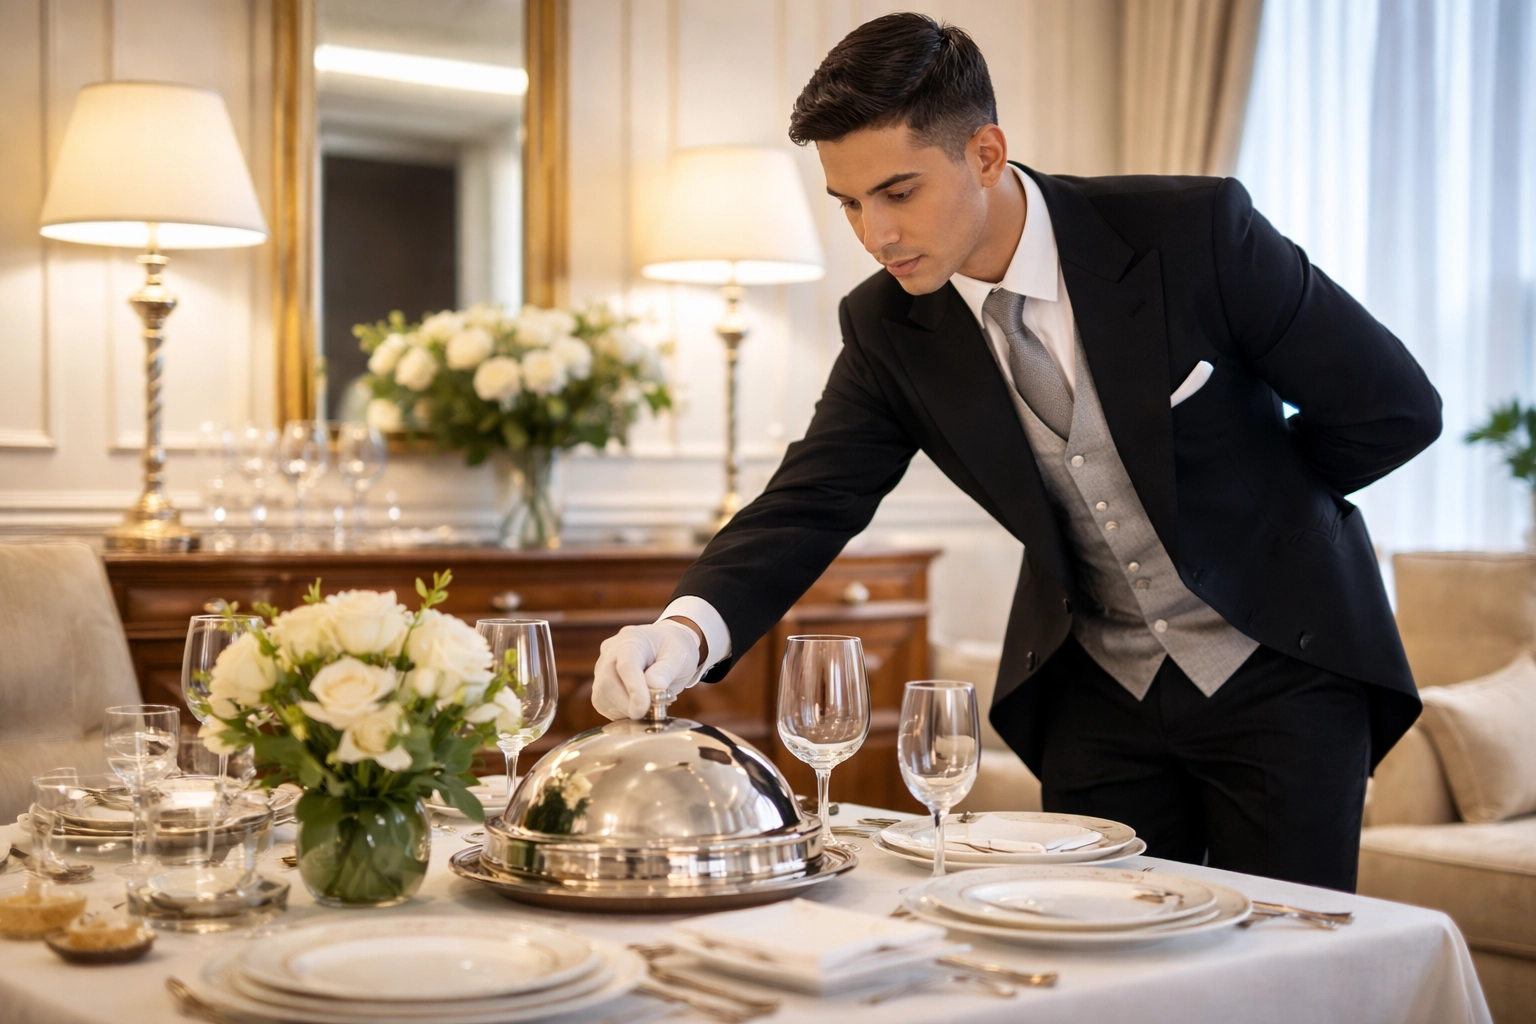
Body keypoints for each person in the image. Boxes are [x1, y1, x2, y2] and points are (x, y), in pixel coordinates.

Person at [590, 12, 1441, 891]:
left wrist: (1257, 519)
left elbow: (1394, 409)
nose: (875, 235)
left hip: (1284, 670)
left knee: (1293, 952)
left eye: (898, 192)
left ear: (986, 154)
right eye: (848, 203)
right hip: (1095, 700)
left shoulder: (1193, 231)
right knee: (1094, 952)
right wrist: (682, 632)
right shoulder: (887, 327)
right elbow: (808, 502)